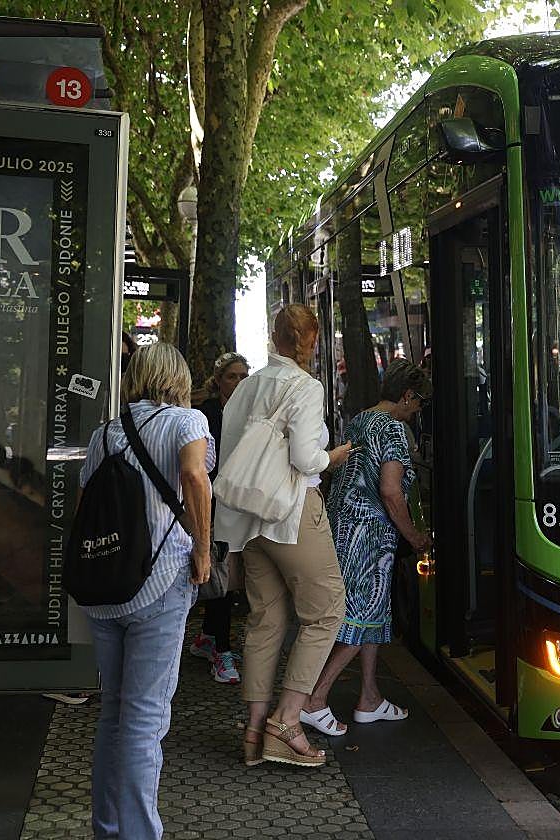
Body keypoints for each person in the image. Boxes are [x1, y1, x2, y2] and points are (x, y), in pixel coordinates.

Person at [77, 342, 214, 840]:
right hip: (159, 583)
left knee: (113, 713)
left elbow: (84, 506)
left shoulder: (105, 433)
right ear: (177, 378)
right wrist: (202, 551)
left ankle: (108, 828)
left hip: (106, 586)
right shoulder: (187, 422)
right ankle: (139, 834)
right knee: (144, 720)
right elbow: (196, 478)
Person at [216, 304, 353, 768]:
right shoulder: (305, 386)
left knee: (265, 619)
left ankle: (254, 732)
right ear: (310, 341)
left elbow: (231, 451)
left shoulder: (247, 386)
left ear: (274, 337)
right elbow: (306, 459)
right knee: (327, 610)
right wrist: (334, 455)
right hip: (291, 514)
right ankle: (287, 721)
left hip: (248, 521)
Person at [302, 359, 432, 733]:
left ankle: (369, 697)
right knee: (360, 618)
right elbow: (391, 492)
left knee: (372, 614)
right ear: (407, 396)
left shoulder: (360, 419)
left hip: (342, 526)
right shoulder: (393, 429)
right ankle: (314, 698)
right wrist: (414, 537)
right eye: (420, 402)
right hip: (370, 534)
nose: (418, 410)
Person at [188, 352, 250, 684]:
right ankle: (221, 649)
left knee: (227, 574)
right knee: (221, 575)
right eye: (232, 376)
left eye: (244, 376)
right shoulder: (206, 413)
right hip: (213, 504)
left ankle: (210, 637)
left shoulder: (252, 413)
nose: (239, 382)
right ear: (218, 380)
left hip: (241, 503)